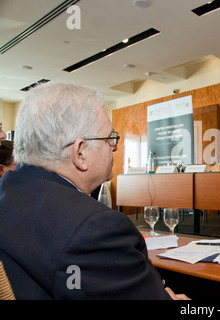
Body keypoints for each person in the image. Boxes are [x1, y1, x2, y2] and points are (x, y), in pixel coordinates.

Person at [0, 82, 189, 300]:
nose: (114, 147)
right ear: (80, 153)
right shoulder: (94, 230)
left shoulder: (8, 194)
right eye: (109, 138)